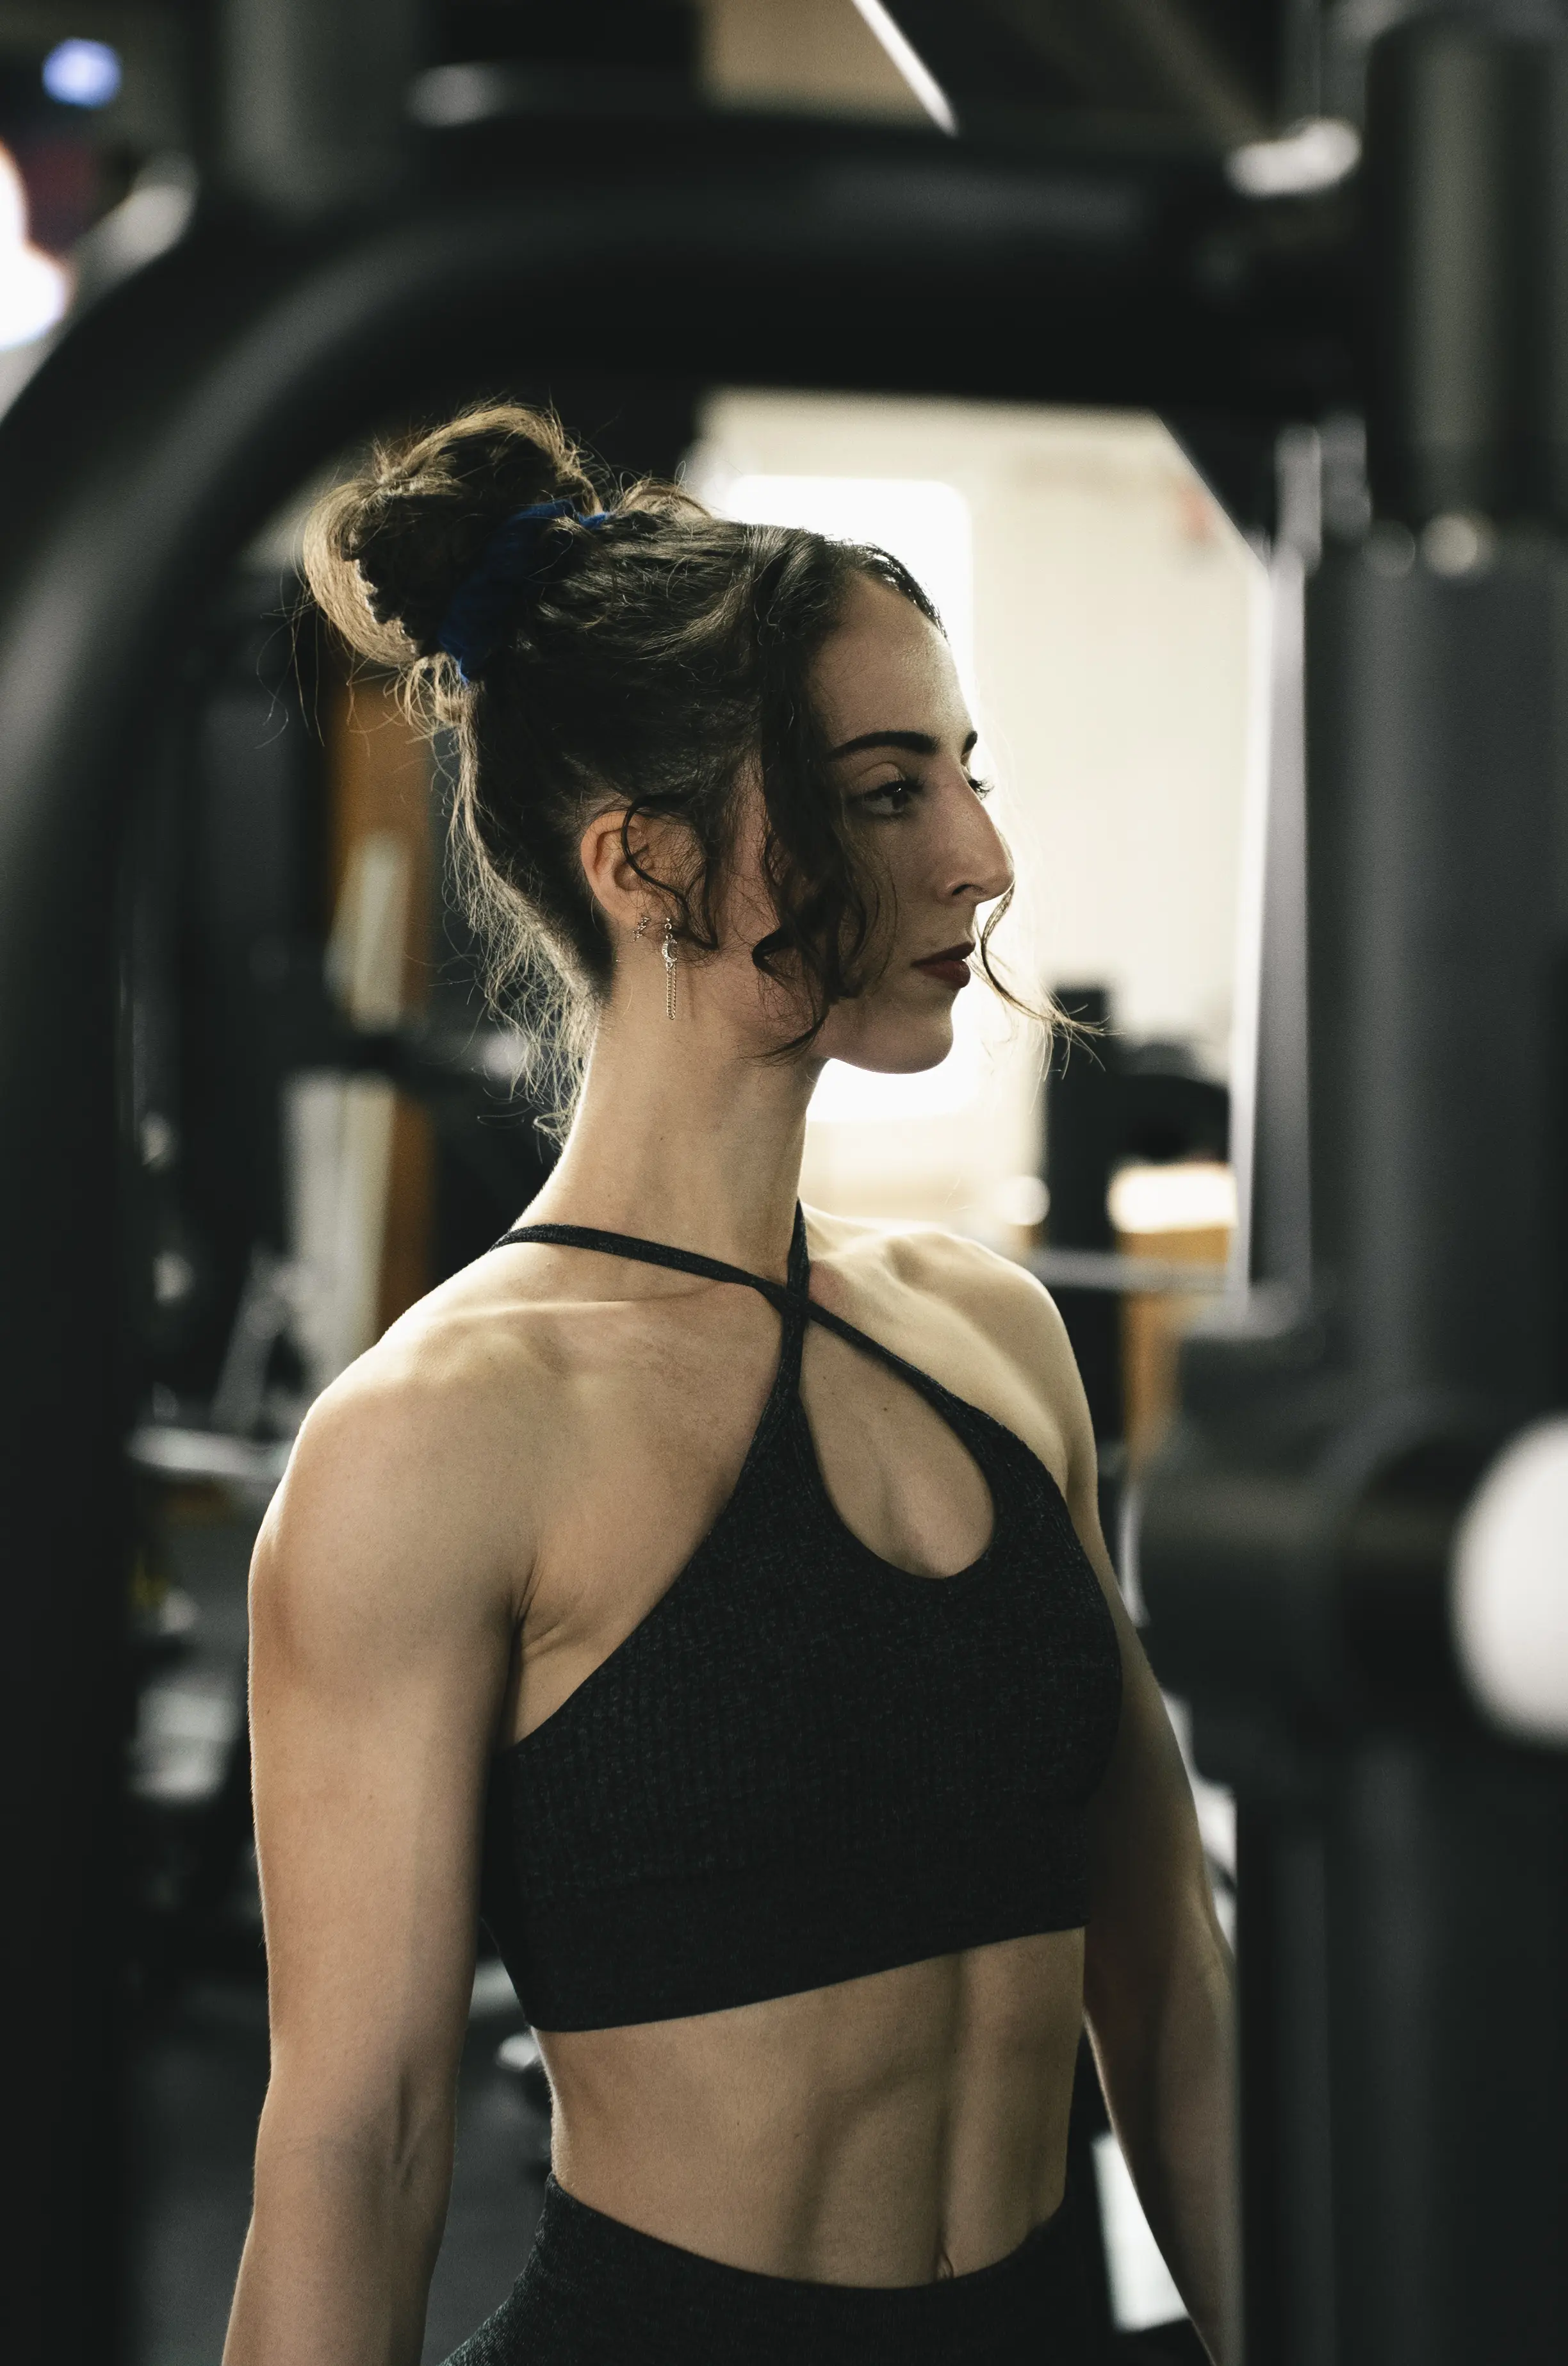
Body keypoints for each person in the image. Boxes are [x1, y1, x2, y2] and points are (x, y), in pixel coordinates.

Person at [223, 404, 1235, 2366]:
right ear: (646, 861)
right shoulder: (436, 1440)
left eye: (966, 774)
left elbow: (1175, 2003)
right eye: (885, 792)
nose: (982, 858)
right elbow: (361, 2145)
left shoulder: (995, 1336)